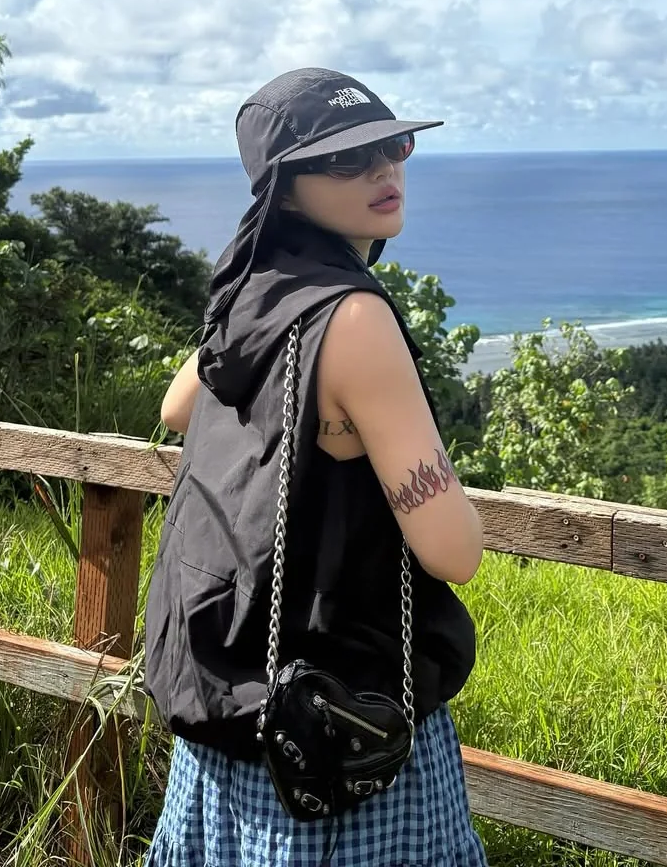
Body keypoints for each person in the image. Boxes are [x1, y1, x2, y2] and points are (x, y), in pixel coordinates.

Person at [142, 67, 488, 866]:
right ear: (285, 187)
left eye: (394, 145)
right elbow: (453, 551)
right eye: (345, 159)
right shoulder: (355, 317)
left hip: (236, 714)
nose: (385, 171)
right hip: (337, 724)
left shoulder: (250, 290)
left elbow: (178, 407)